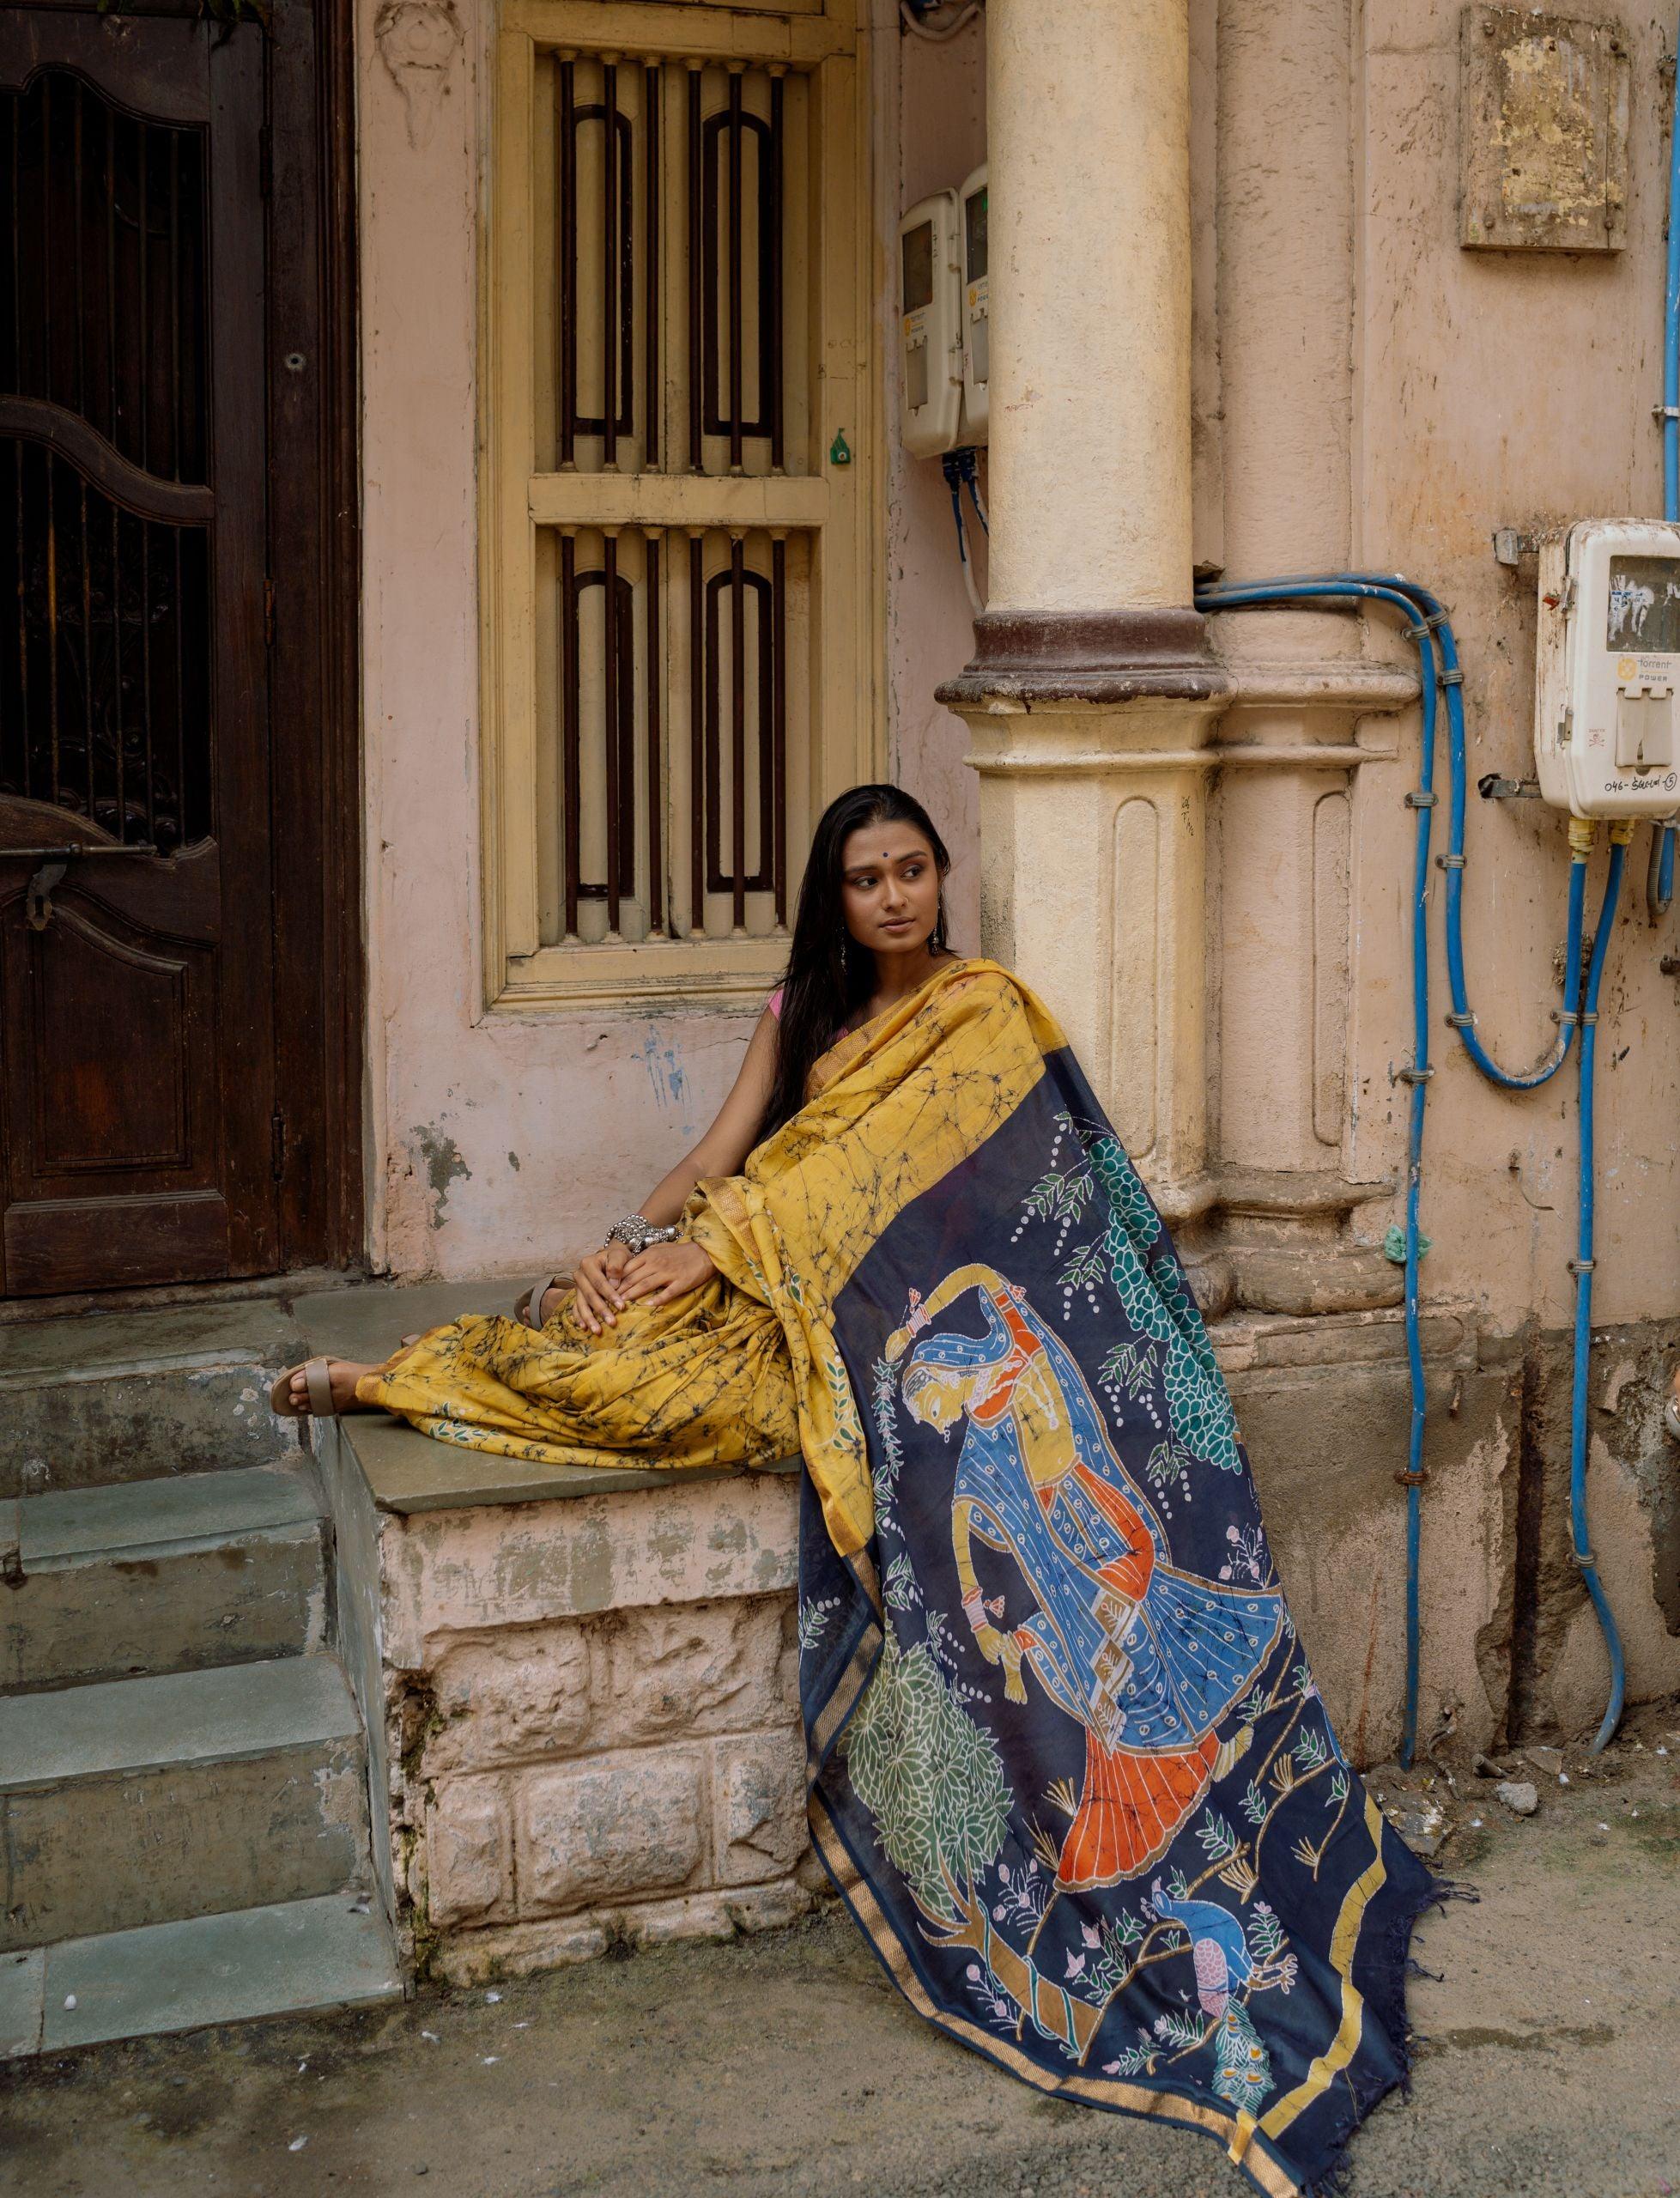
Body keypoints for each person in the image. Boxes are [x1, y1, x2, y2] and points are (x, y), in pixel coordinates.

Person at [271, 782, 1439, 2198]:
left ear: (941, 877)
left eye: (911, 870)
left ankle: (386, 1383)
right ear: (832, 899)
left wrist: (724, 1249)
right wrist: (631, 1243)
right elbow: (722, 1161)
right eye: (864, 879)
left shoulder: (979, 1015)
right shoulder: (803, 1015)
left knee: (660, 1404)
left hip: (894, 1330)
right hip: (777, 1288)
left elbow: (977, 1198)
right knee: (598, 1347)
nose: (891, 896)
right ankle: (397, 1375)